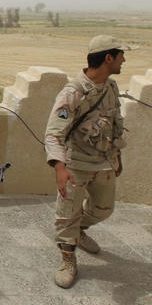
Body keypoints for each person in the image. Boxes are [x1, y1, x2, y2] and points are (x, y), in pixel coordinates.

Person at [44, 35, 131, 288]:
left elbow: (116, 124)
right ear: (108, 58)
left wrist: (117, 156)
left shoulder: (111, 88)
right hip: (75, 166)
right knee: (66, 214)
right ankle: (68, 258)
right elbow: (53, 134)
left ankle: (76, 231)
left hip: (104, 162)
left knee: (104, 209)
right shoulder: (74, 93)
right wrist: (60, 167)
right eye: (121, 55)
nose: (124, 60)